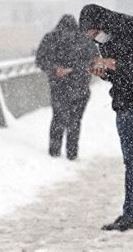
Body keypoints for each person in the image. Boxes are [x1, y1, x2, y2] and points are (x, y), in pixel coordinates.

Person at [79, 4, 133, 233]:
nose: (96, 39)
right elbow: (122, 76)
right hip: (124, 106)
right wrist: (105, 73)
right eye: (92, 37)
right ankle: (130, 216)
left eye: (94, 33)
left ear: (101, 22)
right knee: (132, 164)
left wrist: (114, 64)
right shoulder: (106, 41)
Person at [35, 15, 98, 160]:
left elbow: (40, 60)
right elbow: (94, 61)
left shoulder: (51, 38)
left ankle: (54, 152)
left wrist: (55, 69)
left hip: (59, 85)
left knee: (58, 118)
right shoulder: (85, 40)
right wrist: (76, 69)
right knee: (74, 121)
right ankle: (72, 154)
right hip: (80, 86)